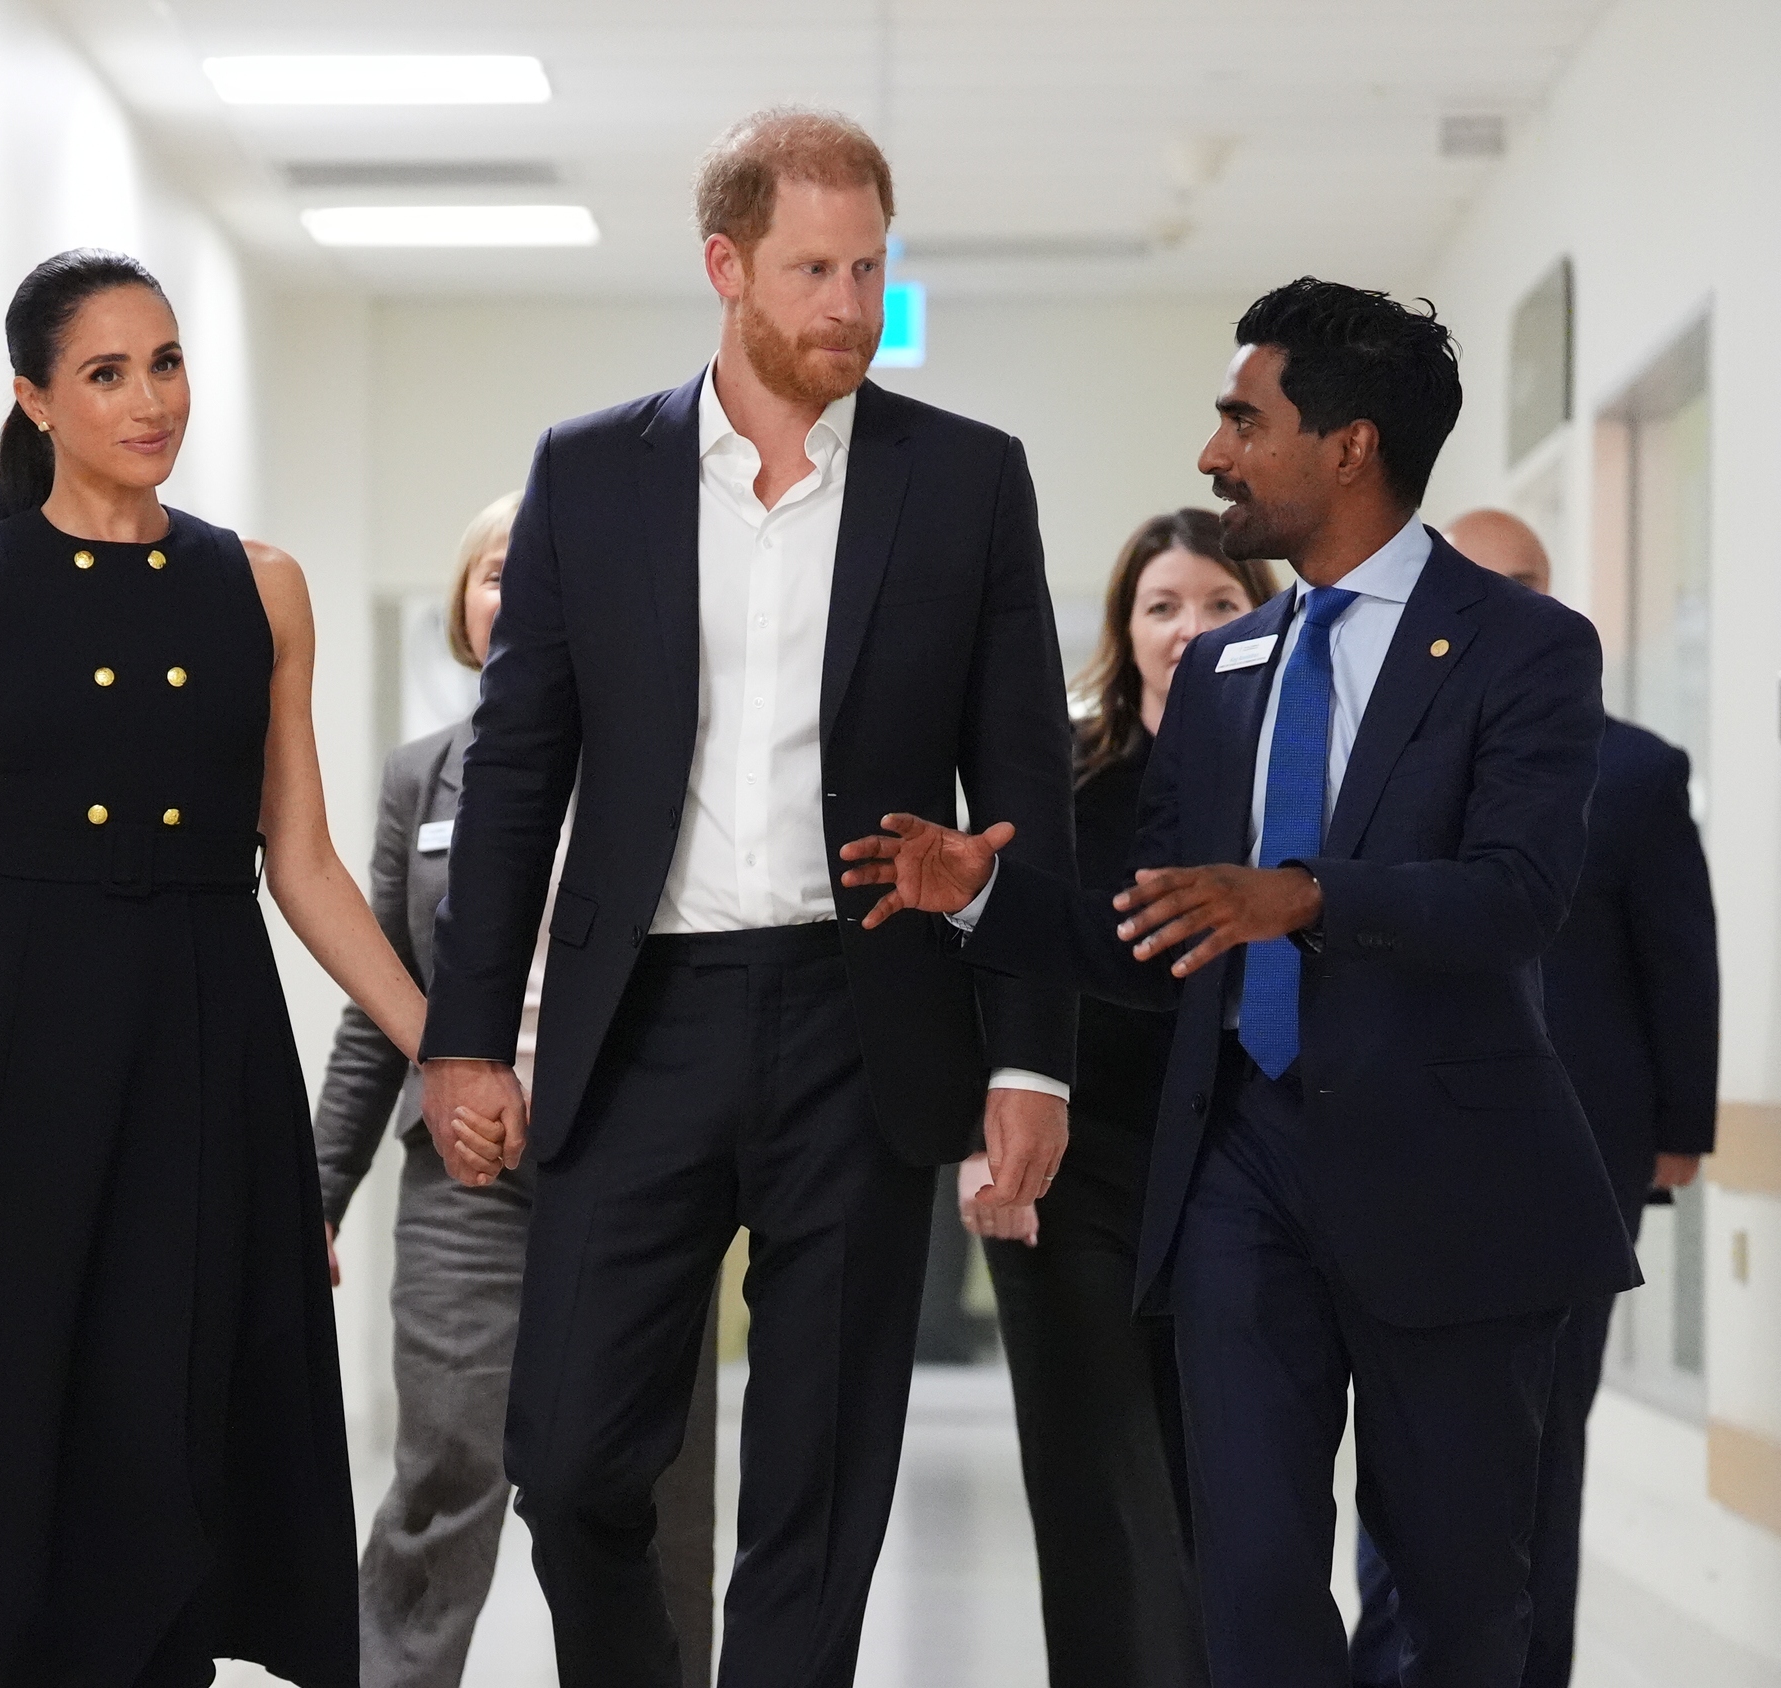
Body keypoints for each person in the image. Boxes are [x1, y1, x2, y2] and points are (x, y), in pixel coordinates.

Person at [839, 277, 1643, 1687]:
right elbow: (1163, 938)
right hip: (1241, 1181)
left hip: (1447, 1180)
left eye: (1241, 419)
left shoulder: (1524, 648)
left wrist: (1308, 895)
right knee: (1250, 1587)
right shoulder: (1224, 670)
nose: (1213, 455)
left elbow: (1519, 898)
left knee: (1457, 1599)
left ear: (1350, 447)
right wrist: (986, 901)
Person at [416, 108, 1078, 1688]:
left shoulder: (967, 482)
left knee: (819, 1487)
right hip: (641, 1016)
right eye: (811, 270)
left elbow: (1027, 797)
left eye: (868, 266)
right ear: (726, 266)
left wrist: (1030, 1054)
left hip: (870, 1019)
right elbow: (519, 774)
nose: (849, 303)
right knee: (569, 1460)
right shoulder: (593, 475)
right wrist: (462, 1041)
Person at [0, 250, 422, 1688]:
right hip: (4, 1041)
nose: (151, 400)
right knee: (9, 1411)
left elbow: (307, 861)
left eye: (166, 362)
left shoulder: (261, 588)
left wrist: (441, 1043)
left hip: (197, 1039)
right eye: (106, 372)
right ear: (28, 399)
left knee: (170, 1407)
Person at [311, 493, 719, 1688]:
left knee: (657, 1475)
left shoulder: (666, 766)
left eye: (549, 572)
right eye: (497, 573)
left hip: (644, 1171)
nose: (520, 594)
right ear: (464, 603)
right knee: (446, 1461)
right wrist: (320, 1187)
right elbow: (381, 1007)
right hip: (466, 1177)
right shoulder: (419, 779)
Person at [1349, 507, 1719, 1688]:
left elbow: (1680, 961)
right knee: (1402, 1442)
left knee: (1539, 1449)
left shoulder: (1638, 769)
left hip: (1572, 1158)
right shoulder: (1380, 755)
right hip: (1404, 1141)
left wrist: (1680, 1135)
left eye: (1532, 586)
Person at [957, 508, 1267, 1687]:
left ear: (1263, 615)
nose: (1188, 629)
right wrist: (984, 1144)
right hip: (1071, 1167)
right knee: (1091, 1486)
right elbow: (997, 959)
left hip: (1234, 1166)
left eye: (1218, 604)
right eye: (1162, 605)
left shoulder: (1295, 778)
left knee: (1218, 1484)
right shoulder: (1065, 775)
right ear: (1125, 626)